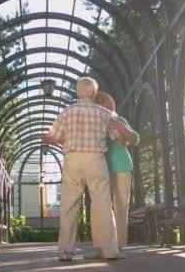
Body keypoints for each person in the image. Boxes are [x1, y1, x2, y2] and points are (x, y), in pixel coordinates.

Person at [41, 77, 124, 262]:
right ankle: (110, 250)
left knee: (69, 206)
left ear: (78, 93)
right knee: (103, 204)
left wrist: (48, 138)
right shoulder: (105, 113)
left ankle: (65, 251)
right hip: (96, 158)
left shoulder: (67, 112)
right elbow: (117, 135)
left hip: (72, 159)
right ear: (95, 93)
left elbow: (53, 136)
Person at [94, 91, 139, 253]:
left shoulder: (119, 119)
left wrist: (121, 127)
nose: (102, 103)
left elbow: (135, 139)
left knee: (121, 206)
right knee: (102, 206)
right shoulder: (93, 121)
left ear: (111, 103)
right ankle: (102, 243)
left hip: (122, 166)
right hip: (100, 167)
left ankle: (120, 243)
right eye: (98, 101)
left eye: (104, 100)